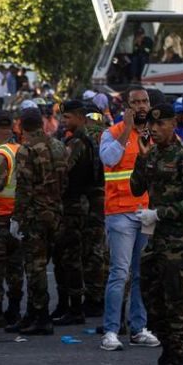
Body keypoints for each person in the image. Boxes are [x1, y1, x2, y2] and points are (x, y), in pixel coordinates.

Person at [130, 104, 183, 365]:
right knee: (152, 295)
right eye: (152, 125)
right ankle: (166, 353)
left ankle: (175, 360)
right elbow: (136, 188)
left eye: (162, 125)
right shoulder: (152, 156)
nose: (156, 130)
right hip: (157, 240)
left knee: (177, 302)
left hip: (180, 242)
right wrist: (141, 158)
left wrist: (159, 213)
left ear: (174, 124)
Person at [98, 87, 160, 351]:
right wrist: (127, 129)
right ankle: (111, 331)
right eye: (135, 102)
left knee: (141, 275)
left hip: (145, 212)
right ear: (127, 107)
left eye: (145, 101)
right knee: (119, 274)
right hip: (120, 212)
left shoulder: (154, 134)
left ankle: (138, 329)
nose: (141, 106)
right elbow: (109, 159)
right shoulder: (111, 133)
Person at [6, 108, 67, 335]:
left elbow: (24, 188)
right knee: (43, 263)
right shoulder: (59, 146)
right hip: (56, 212)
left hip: (35, 216)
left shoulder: (27, 150)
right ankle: (32, 314)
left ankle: (40, 317)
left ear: (21, 126)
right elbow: (65, 180)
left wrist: (17, 217)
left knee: (35, 267)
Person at [53, 100, 102, 326]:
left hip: (74, 205)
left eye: (68, 117)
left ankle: (74, 308)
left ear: (81, 117)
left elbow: (63, 171)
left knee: (70, 257)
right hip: (80, 203)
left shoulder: (78, 142)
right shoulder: (85, 139)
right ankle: (70, 306)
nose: (64, 122)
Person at [0, 110, 24, 327]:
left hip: (0, 220)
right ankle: (15, 310)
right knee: (16, 269)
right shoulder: (20, 150)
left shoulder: (0, 154)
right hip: (17, 220)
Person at [82, 104, 108, 316]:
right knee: (103, 249)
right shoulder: (110, 134)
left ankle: (95, 296)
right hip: (108, 196)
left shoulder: (86, 137)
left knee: (93, 250)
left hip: (91, 198)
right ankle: (103, 294)